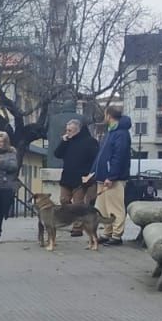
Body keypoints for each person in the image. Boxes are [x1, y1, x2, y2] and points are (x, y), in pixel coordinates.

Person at [87, 105, 132, 245]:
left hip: (113, 179)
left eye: (105, 114)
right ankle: (107, 232)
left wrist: (111, 176)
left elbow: (119, 156)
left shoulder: (121, 133)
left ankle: (117, 235)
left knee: (115, 207)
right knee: (103, 208)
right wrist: (92, 172)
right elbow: (101, 156)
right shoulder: (110, 132)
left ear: (109, 116)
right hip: (103, 177)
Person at [53, 118, 99, 237]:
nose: (68, 132)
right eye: (67, 130)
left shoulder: (90, 142)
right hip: (67, 177)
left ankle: (77, 228)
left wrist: (90, 175)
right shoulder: (68, 141)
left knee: (78, 204)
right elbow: (57, 154)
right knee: (64, 200)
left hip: (81, 178)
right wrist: (63, 141)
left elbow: (95, 159)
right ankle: (69, 220)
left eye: (70, 130)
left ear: (78, 130)